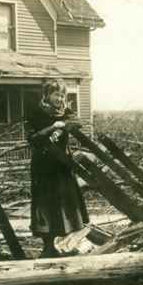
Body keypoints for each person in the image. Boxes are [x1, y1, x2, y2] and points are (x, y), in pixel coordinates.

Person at [27, 79, 89, 258]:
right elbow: (33, 139)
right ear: (47, 95)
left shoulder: (65, 112)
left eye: (62, 95)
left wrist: (62, 128)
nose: (60, 99)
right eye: (56, 94)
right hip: (44, 168)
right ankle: (48, 246)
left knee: (66, 203)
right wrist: (52, 127)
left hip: (62, 166)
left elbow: (77, 121)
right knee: (46, 204)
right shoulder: (37, 113)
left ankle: (65, 244)